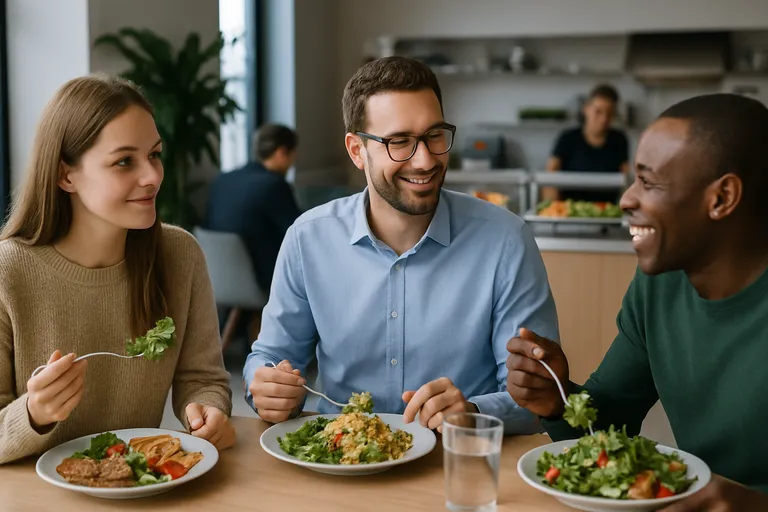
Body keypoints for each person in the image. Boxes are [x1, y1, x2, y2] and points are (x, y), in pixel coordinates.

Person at [243, 56, 559, 434]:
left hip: (456, 462)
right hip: (341, 463)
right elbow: (271, 358)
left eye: (434, 136)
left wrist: (472, 412)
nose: (424, 160)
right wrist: (263, 385)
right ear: (357, 150)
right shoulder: (307, 239)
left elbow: (539, 393)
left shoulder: (506, 241)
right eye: (399, 142)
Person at [506, 93, 768, 509]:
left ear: (721, 198)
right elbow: (608, 419)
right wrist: (558, 402)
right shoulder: (658, 287)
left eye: (648, 182)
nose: (626, 199)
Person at [0, 75, 235, 464]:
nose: (152, 176)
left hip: (140, 491)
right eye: (124, 161)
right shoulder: (8, 271)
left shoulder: (180, 254)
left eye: (154, 155)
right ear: (65, 175)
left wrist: (208, 410)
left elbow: (203, 379)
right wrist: (34, 414)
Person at [205, 124, 302, 340]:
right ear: (281, 152)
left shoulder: (223, 180)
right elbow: (300, 234)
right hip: (258, 280)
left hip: (218, 278)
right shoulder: (274, 185)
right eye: (292, 155)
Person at [543, 84, 629, 203]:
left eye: (609, 113)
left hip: (607, 211)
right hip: (569, 210)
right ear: (586, 109)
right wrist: (553, 210)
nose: (604, 119)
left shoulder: (619, 140)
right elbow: (551, 175)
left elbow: (626, 179)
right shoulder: (568, 138)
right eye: (598, 112)